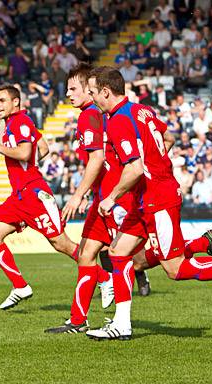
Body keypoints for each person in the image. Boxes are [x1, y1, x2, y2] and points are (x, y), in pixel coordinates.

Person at [85, 67, 212, 340]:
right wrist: (155, 166)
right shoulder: (141, 111)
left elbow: (135, 169)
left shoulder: (117, 120)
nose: (91, 98)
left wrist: (112, 197)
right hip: (147, 197)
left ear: (105, 91)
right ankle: (121, 324)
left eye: (92, 92)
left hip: (157, 199)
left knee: (176, 269)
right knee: (118, 253)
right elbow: (167, 139)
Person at [44, 64, 153, 334]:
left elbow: (98, 158)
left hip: (113, 198)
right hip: (104, 197)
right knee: (87, 254)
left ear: (90, 91)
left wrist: (76, 196)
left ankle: (194, 245)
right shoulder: (96, 114)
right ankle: (78, 321)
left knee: (140, 258)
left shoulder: (90, 116)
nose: (68, 94)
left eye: (73, 89)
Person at [0, 84, 111, 310]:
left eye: (2, 101)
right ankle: (20, 286)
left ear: (15, 102)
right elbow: (42, 148)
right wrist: (28, 164)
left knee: (61, 243)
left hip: (33, 194)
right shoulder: (18, 122)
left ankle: (104, 278)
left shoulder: (19, 122)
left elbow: (25, 152)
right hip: (19, 196)